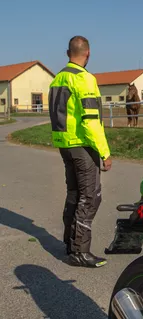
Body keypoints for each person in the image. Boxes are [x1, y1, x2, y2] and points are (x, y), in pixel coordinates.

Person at [48, 35, 112, 268]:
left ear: (68, 53)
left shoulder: (57, 79)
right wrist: (104, 152)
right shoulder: (84, 79)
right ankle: (80, 251)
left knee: (74, 194)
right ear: (88, 54)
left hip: (65, 144)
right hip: (83, 145)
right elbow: (91, 121)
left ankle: (70, 244)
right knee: (90, 197)